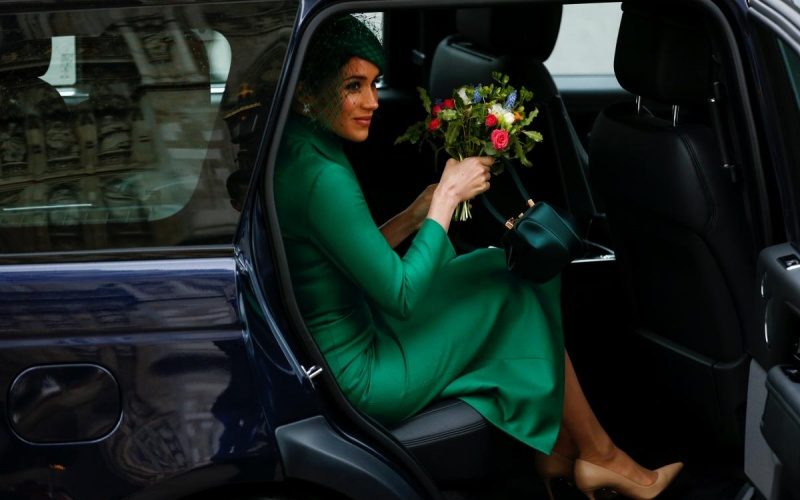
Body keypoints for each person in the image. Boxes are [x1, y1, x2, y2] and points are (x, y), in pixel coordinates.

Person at [273, 14, 682, 500]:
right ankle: (597, 454)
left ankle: (569, 448)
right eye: (353, 87)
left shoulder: (303, 147)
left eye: (375, 84)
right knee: (513, 292)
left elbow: (346, 259)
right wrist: (446, 199)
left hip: (353, 332)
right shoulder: (322, 178)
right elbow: (400, 295)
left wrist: (414, 214)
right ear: (307, 91)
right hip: (364, 374)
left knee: (504, 271)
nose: (373, 101)